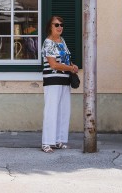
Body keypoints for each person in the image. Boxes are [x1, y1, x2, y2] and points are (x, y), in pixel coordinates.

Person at [41, 16, 79, 153]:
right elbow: (53, 64)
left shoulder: (62, 41)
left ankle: (58, 140)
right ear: (50, 27)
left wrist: (72, 65)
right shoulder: (48, 42)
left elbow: (65, 60)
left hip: (64, 80)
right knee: (51, 111)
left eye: (61, 25)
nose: (59, 27)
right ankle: (46, 142)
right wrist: (70, 68)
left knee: (63, 111)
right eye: (56, 25)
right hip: (52, 80)